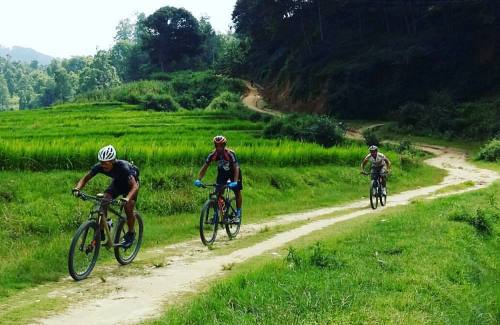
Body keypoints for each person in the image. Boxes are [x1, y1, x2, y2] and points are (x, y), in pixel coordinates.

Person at [73, 145, 139, 248]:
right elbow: (85, 178)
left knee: (128, 207)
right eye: (101, 162)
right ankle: (102, 232)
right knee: (104, 201)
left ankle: (131, 233)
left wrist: (127, 198)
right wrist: (77, 188)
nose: (103, 165)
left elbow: (134, 186)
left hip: (131, 186)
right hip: (117, 183)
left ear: (112, 161)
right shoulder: (99, 166)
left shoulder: (123, 167)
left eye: (106, 163)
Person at [194, 135, 243, 223]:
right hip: (222, 173)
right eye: (216, 146)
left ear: (224, 145)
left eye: (221, 145)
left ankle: (238, 213)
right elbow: (205, 167)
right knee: (218, 193)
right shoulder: (213, 154)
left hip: (234, 173)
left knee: (237, 191)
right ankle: (218, 214)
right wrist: (199, 179)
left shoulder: (230, 153)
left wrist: (235, 181)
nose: (219, 148)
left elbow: (236, 167)